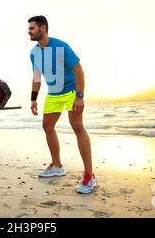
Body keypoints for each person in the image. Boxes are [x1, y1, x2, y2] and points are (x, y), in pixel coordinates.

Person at [28, 15, 96, 194]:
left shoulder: (61, 46)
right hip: (53, 94)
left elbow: (79, 70)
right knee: (47, 126)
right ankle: (57, 165)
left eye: (32, 28)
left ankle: (89, 175)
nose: (29, 31)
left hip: (71, 91)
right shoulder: (33, 53)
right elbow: (36, 78)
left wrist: (80, 96)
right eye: (29, 28)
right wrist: (33, 98)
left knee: (77, 126)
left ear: (43, 28)